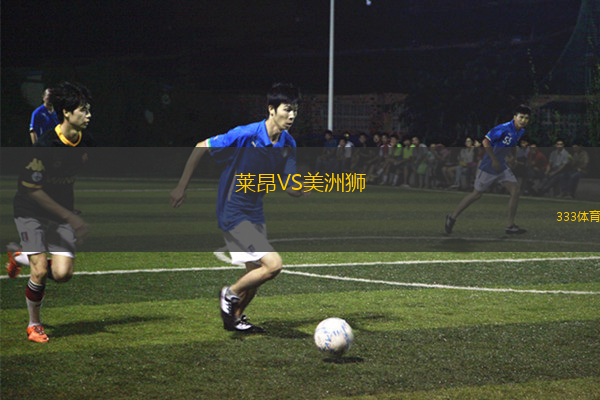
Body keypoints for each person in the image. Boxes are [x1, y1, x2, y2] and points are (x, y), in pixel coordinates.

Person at [170, 83, 307, 334]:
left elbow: (291, 186)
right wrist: (181, 186)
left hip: (255, 211)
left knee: (255, 277)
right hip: (232, 210)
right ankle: (229, 293)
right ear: (271, 109)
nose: (292, 116)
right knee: (273, 265)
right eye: (287, 109)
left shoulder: (289, 144)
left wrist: (302, 188)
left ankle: (234, 319)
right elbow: (201, 146)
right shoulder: (246, 134)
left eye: (295, 110)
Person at [6, 82, 92, 343]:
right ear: (66, 112)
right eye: (83, 110)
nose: (89, 115)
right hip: (30, 210)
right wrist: (71, 216)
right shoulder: (44, 147)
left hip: (60, 212)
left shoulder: (84, 142)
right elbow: (32, 191)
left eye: (89, 110)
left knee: (63, 274)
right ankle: (34, 325)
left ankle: (18, 255)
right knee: (41, 271)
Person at [445, 105, 531, 235]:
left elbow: (513, 143)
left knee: (515, 191)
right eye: (521, 117)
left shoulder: (520, 131)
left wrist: (513, 157)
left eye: (526, 118)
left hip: (502, 166)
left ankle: (510, 226)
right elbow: (485, 142)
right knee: (476, 195)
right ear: (515, 117)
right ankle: (452, 217)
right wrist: (494, 160)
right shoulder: (503, 128)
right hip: (489, 166)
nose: (523, 120)